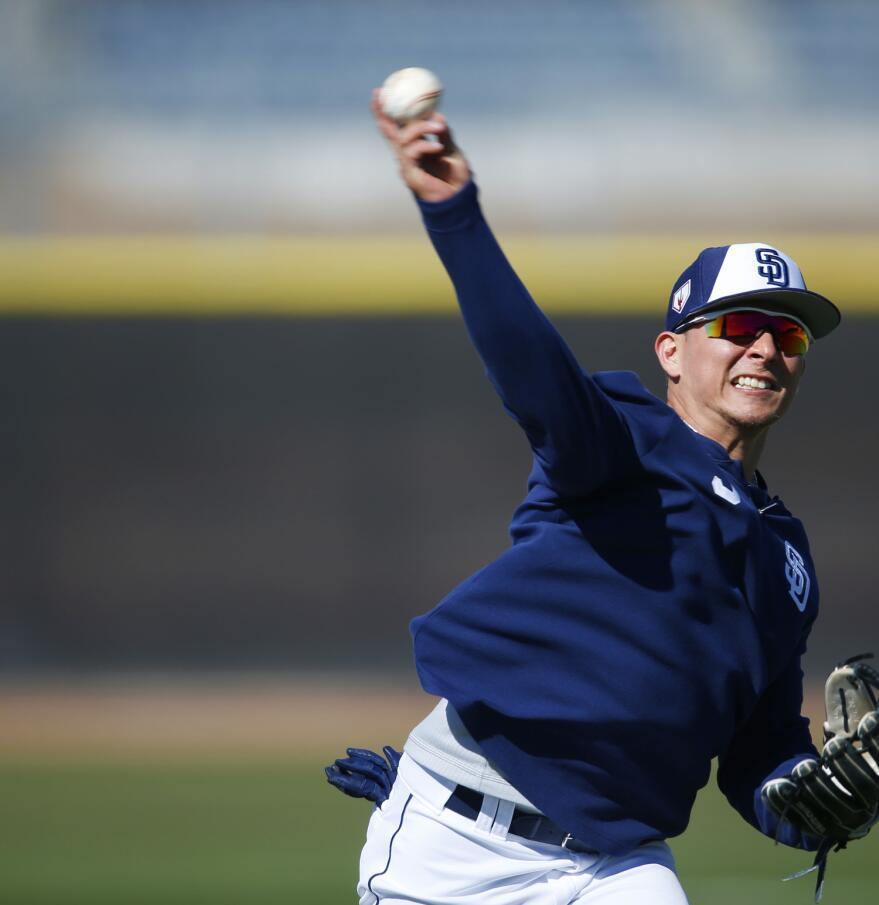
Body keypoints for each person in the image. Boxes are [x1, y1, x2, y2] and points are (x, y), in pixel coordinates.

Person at [327, 90, 846, 905]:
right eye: (738, 327)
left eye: (788, 334)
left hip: (617, 863)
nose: (764, 348)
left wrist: (820, 797)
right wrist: (455, 215)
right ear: (671, 352)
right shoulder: (623, 443)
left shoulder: (787, 559)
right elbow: (533, 370)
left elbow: (758, 753)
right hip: (458, 841)